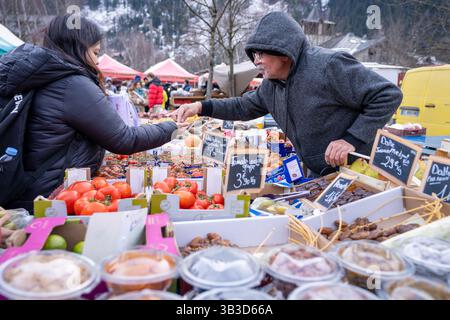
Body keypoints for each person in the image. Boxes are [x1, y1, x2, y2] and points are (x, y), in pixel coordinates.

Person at [169, 12, 403, 177]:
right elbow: (243, 107)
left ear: (283, 52)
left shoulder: (329, 65)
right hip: (318, 174)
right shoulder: (271, 85)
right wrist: (200, 107)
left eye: (261, 54)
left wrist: (351, 140)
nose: (256, 61)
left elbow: (388, 94)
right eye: (254, 55)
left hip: (359, 171)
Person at [0, 15, 182, 211]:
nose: (97, 61)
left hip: (28, 190)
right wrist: (172, 128)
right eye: (95, 52)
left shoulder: (43, 75)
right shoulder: (72, 85)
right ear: (78, 47)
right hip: (52, 197)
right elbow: (124, 139)